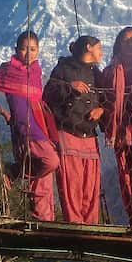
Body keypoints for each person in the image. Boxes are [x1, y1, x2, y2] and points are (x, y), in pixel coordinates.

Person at [0, 30, 60, 221]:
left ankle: (44, 220)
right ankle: (16, 171)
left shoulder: (37, 71)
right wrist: (2, 110)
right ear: (16, 50)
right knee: (50, 161)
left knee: (44, 179)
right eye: (24, 49)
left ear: (38, 51)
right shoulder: (8, 71)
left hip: (41, 127)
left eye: (33, 49)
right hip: (25, 130)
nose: (28, 53)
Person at [45, 35, 106, 224]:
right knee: (71, 184)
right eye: (99, 48)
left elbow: (106, 98)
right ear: (88, 47)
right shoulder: (64, 69)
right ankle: (75, 225)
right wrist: (69, 87)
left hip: (90, 135)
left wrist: (101, 110)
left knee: (91, 186)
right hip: (68, 132)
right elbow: (48, 94)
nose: (101, 53)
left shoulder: (96, 74)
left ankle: (90, 226)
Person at [100, 27, 132, 227]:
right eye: (125, 40)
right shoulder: (109, 72)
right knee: (126, 174)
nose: (129, 45)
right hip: (120, 132)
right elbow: (102, 98)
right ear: (118, 44)